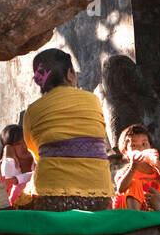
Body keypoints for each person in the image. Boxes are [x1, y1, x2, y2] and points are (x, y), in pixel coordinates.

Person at [21, 49, 114, 211]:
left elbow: (35, 153)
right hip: (99, 194)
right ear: (70, 74)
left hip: (52, 196)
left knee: (22, 201)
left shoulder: (32, 111)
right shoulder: (93, 101)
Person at [111, 124, 160, 212]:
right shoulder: (126, 171)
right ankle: (136, 215)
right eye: (134, 145)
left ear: (150, 147)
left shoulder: (158, 166)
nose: (140, 148)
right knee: (134, 184)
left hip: (151, 207)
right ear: (125, 152)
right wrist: (133, 167)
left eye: (144, 144)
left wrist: (157, 164)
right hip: (127, 209)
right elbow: (121, 189)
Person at [0, 124, 34, 207]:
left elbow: (40, 174)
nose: (24, 146)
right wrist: (8, 153)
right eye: (18, 144)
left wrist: (17, 179)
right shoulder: (9, 162)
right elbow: (9, 179)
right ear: (10, 147)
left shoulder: (37, 157)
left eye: (25, 141)